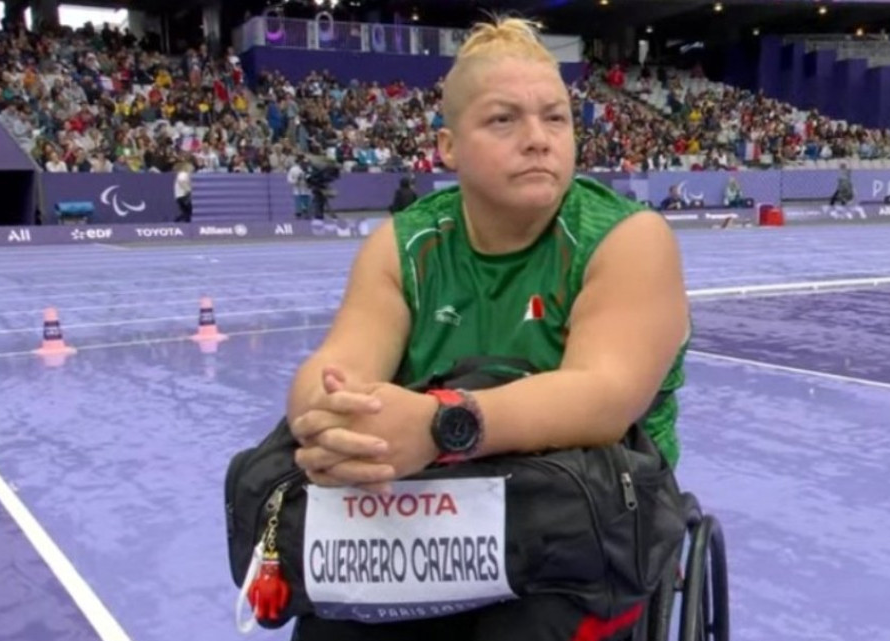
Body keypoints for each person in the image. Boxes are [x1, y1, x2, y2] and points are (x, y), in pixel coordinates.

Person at [285, 15, 690, 641]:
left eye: (555, 118)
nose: (538, 139)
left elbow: (604, 397)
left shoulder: (627, 239)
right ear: (447, 148)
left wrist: (438, 424)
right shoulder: (404, 245)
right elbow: (336, 365)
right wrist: (329, 415)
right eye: (505, 120)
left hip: (583, 534)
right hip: (437, 519)